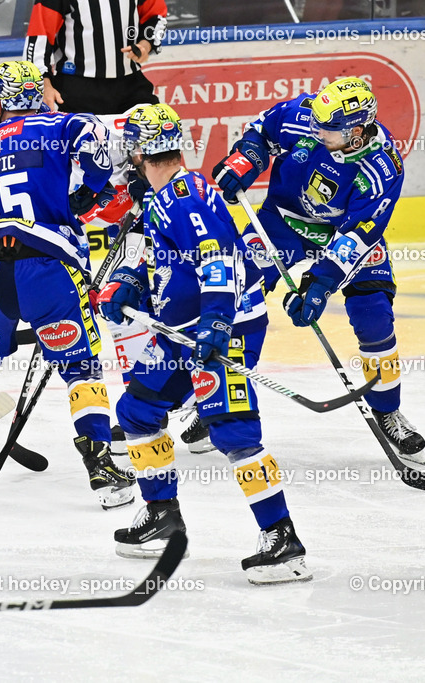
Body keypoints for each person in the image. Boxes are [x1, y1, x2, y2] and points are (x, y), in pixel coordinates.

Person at [95, 103, 311, 584]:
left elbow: (216, 261)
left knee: (232, 429)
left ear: (140, 150)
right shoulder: (161, 198)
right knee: (137, 412)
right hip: (181, 332)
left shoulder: (185, 195)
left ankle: (282, 539)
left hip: (224, 327)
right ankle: (162, 516)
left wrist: (216, 324)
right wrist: (130, 282)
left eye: (129, 145)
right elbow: (166, 261)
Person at [0, 60, 133, 509]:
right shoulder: (65, 123)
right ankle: (99, 462)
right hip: (46, 271)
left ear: (2, 99)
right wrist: (94, 189)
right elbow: (98, 146)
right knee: (81, 368)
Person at [212, 76, 425, 460]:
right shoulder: (306, 114)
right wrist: (244, 160)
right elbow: (262, 132)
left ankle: (388, 408)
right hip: (282, 222)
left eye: (327, 130)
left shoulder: (383, 166)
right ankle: (212, 398)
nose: (314, 131)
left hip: (343, 234)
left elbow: (359, 234)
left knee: (374, 312)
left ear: (357, 131)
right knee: (232, 297)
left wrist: (320, 283)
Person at [24, 0, 167, 114]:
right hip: (77, 90)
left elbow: (156, 16)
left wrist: (146, 44)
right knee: (84, 147)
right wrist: (44, 84)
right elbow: (38, 37)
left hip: (131, 85)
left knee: (156, 136)